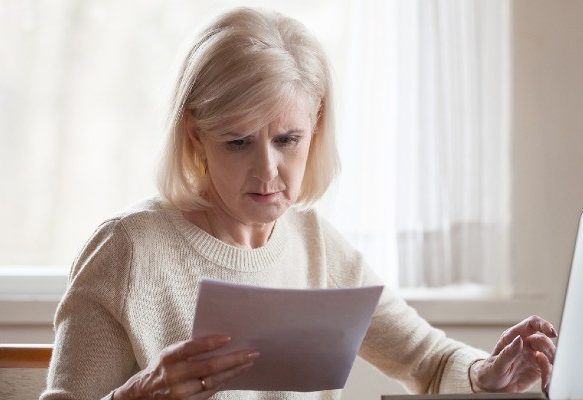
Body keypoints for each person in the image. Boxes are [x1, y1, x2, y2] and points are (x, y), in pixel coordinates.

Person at [41, 7, 556, 400]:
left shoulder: (314, 244)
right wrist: (138, 394)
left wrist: (485, 373)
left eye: (288, 139)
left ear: (317, 127)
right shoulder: (127, 250)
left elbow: (430, 360)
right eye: (238, 142)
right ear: (196, 137)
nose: (268, 171)